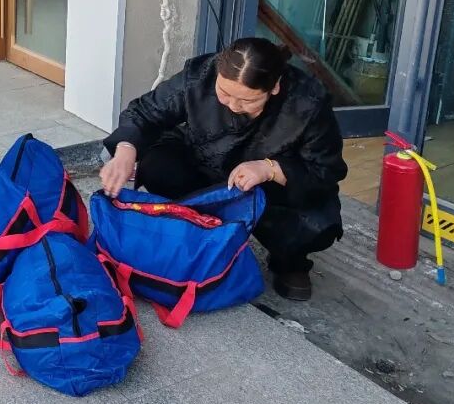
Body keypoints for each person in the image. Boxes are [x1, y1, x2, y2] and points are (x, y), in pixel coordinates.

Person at [99, 38, 347, 301]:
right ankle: (198, 233)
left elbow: (325, 170)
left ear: (274, 87)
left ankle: (289, 262)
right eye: (224, 93)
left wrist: (270, 168)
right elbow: (146, 112)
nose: (233, 105)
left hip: (264, 185)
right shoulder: (200, 75)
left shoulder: (307, 102)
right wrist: (126, 150)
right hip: (204, 159)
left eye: (247, 100)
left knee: (317, 223)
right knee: (159, 165)